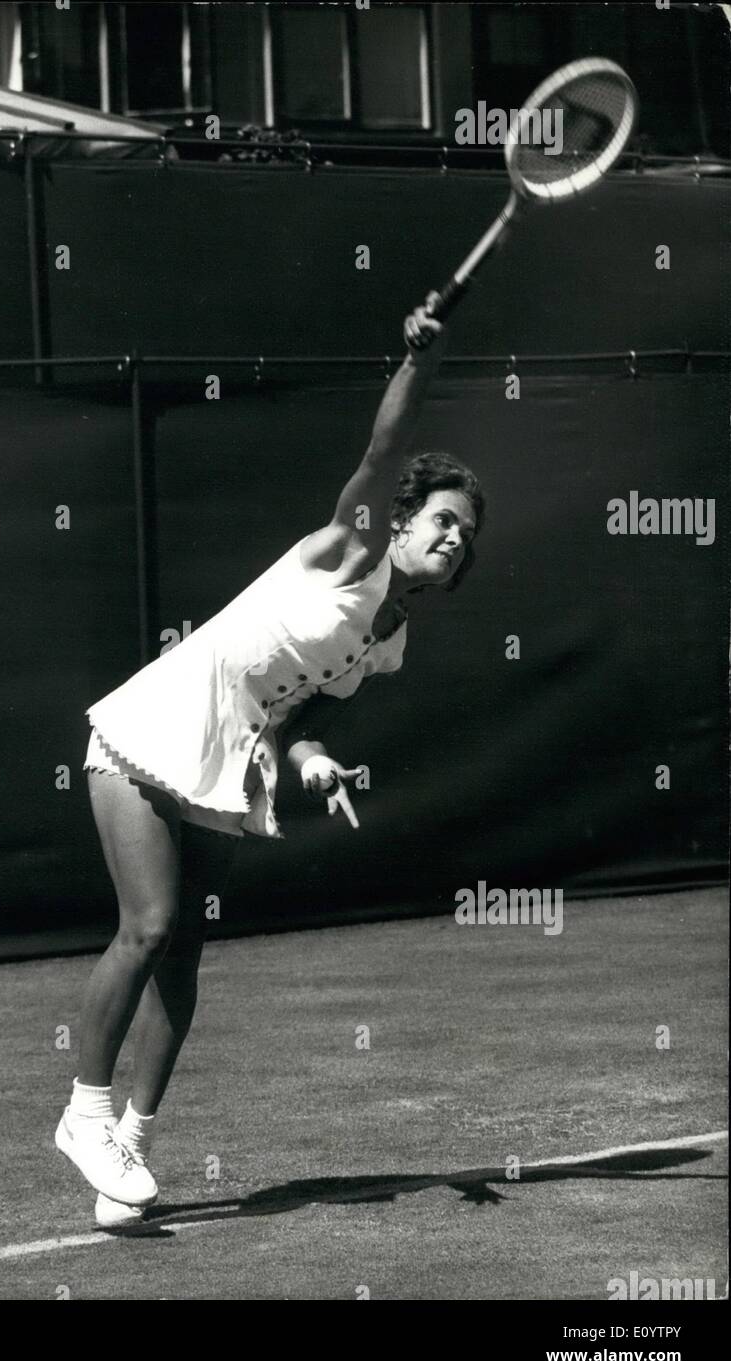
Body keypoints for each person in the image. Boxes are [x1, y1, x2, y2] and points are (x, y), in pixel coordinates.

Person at [55, 292, 485, 1227]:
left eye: (465, 536)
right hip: (155, 724)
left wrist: (313, 762)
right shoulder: (348, 549)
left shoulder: (390, 640)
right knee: (151, 922)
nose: (453, 539)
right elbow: (382, 450)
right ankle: (83, 1116)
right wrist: (421, 360)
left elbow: (293, 716)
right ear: (402, 522)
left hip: (230, 752)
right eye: (443, 520)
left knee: (185, 953)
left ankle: (128, 1140)